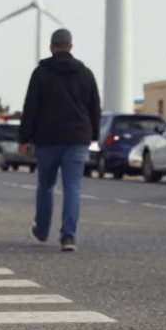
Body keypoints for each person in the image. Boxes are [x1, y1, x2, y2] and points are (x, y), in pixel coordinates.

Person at [17, 29, 101, 252]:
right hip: (78, 138)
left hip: (48, 138)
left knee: (46, 185)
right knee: (73, 186)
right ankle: (68, 236)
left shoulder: (41, 73)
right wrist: (94, 135)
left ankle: (42, 231)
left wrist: (25, 137)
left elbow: (31, 107)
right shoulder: (86, 74)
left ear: (51, 47)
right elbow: (95, 108)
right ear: (70, 46)